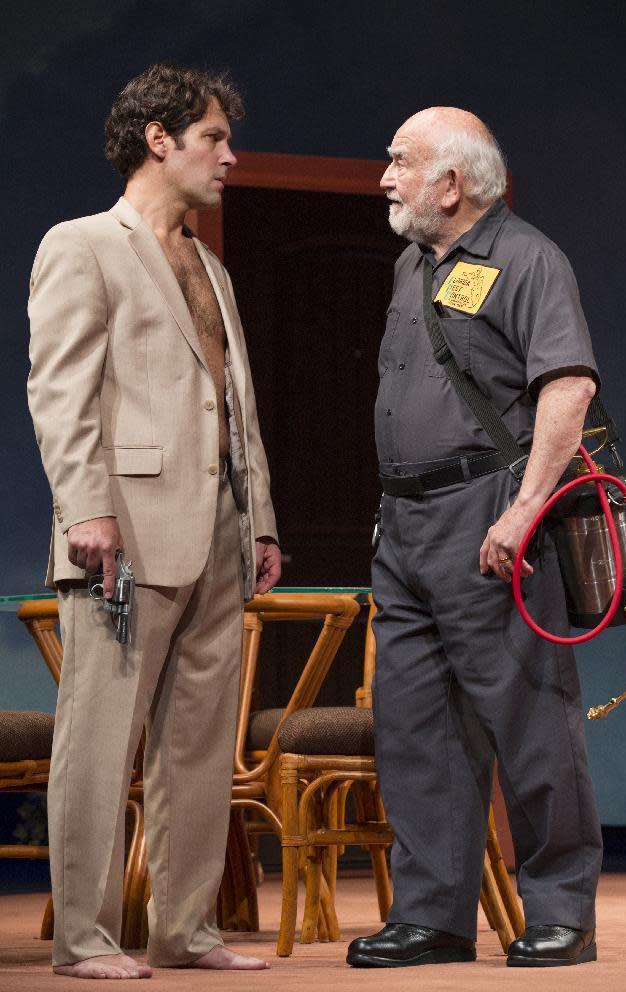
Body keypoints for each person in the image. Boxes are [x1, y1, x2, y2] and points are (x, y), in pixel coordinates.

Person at [27, 64, 281, 980]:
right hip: (123, 532)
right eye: (214, 137)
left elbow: (232, 402)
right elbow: (60, 392)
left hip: (216, 529)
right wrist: (88, 507)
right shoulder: (84, 244)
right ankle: (83, 937)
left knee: (201, 743)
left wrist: (260, 520)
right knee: (100, 740)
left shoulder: (209, 263)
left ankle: (185, 928)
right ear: (159, 138)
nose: (229, 155)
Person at [347, 108, 603, 969]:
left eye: (399, 161)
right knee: (415, 726)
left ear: (451, 184)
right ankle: (434, 916)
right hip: (407, 523)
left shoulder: (527, 258)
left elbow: (565, 389)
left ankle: (560, 910)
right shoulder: (411, 265)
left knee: (530, 718)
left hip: (492, 513)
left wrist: (525, 509)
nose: (384, 177)